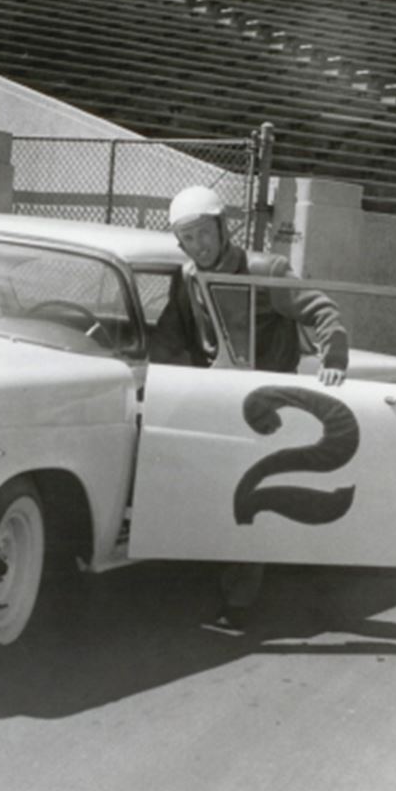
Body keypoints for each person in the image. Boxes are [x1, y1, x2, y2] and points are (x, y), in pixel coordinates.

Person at [152, 185, 350, 631]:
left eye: (204, 233)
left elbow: (323, 312)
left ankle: (239, 602)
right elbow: (170, 336)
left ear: (223, 229)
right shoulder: (186, 279)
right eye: (188, 237)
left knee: (250, 498)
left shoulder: (266, 270)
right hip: (216, 397)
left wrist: (333, 359)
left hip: (267, 402)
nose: (199, 245)